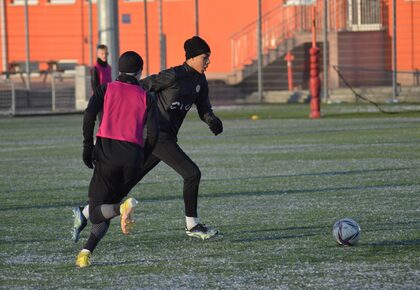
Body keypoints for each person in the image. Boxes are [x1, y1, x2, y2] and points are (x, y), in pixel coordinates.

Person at [73, 36, 223, 242]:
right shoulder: (173, 75)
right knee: (192, 174)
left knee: (124, 186)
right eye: (205, 57)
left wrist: (211, 120)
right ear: (192, 57)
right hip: (157, 137)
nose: (208, 62)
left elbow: (204, 108)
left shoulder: (200, 81)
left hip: (155, 142)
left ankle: (84, 214)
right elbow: (139, 86)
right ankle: (193, 225)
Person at [75, 51, 159, 268]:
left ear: (119, 69)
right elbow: (154, 134)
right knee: (104, 211)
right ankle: (85, 254)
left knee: (96, 212)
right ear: (140, 72)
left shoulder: (106, 88)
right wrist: (142, 155)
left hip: (107, 154)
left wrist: (87, 147)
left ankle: (122, 208)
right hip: (132, 159)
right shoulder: (146, 96)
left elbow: (88, 116)